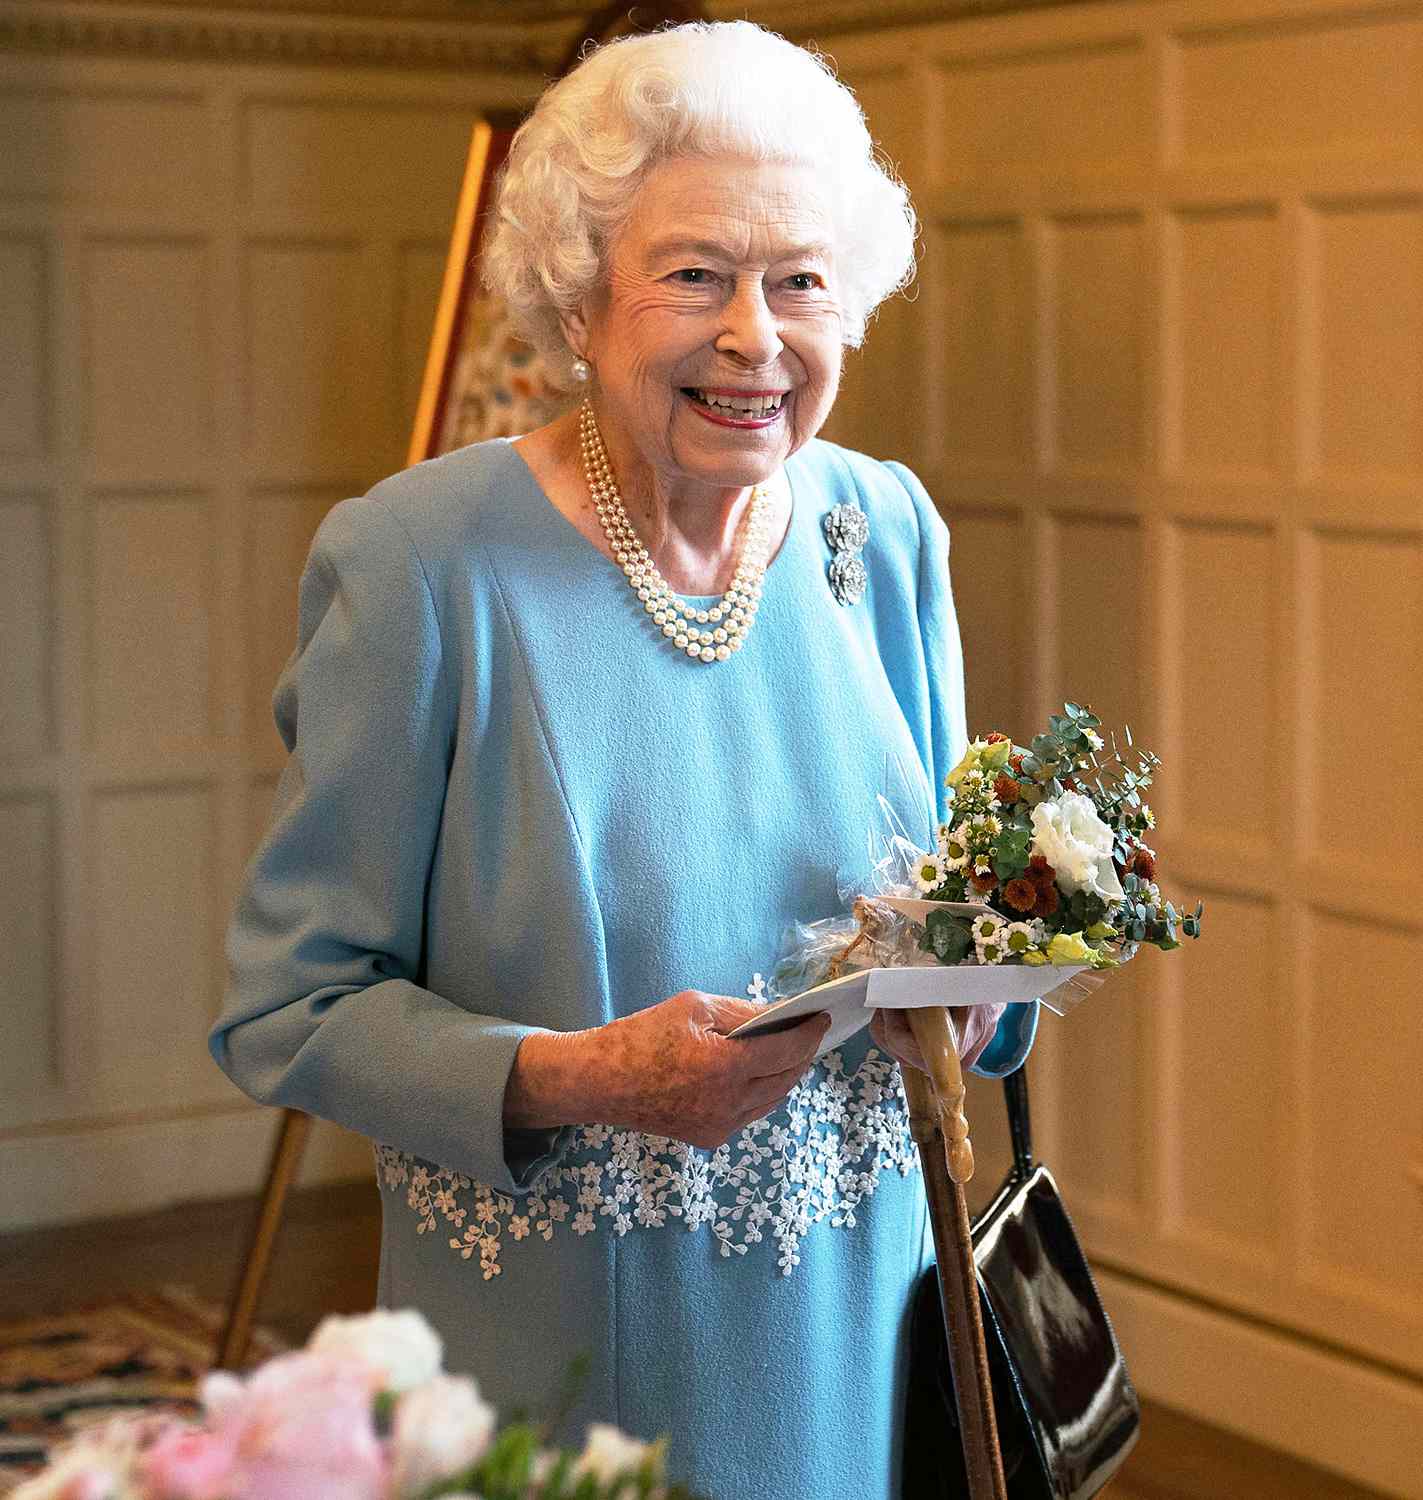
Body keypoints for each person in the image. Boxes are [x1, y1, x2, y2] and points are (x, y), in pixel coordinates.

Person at [210, 21, 1037, 1499]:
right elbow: (291, 1007)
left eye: (801, 280)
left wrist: (978, 995)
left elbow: (955, 907)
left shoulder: (885, 529)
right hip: (562, 1363)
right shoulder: (422, 564)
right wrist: (583, 1075)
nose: (756, 338)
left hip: (859, 1336)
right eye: (696, 275)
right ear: (581, 299)